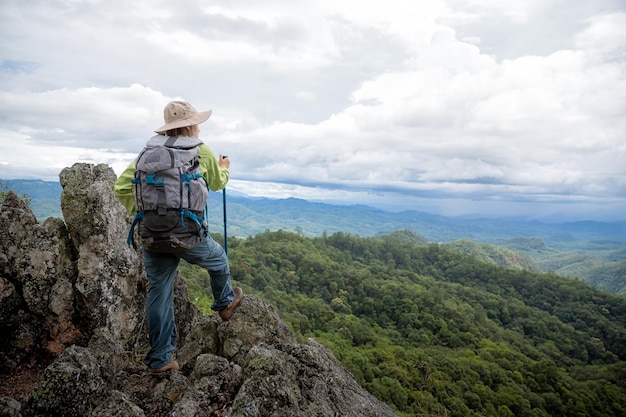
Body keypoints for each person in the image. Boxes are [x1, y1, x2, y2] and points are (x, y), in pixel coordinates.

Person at [114, 100, 243, 375]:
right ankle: (225, 303)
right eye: (196, 122)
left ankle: (160, 359)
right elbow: (218, 182)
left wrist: (150, 213)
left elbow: (122, 186)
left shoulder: (146, 152)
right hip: (187, 233)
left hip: (151, 235)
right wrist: (225, 166)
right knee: (219, 260)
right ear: (190, 124)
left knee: (158, 292)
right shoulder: (200, 150)